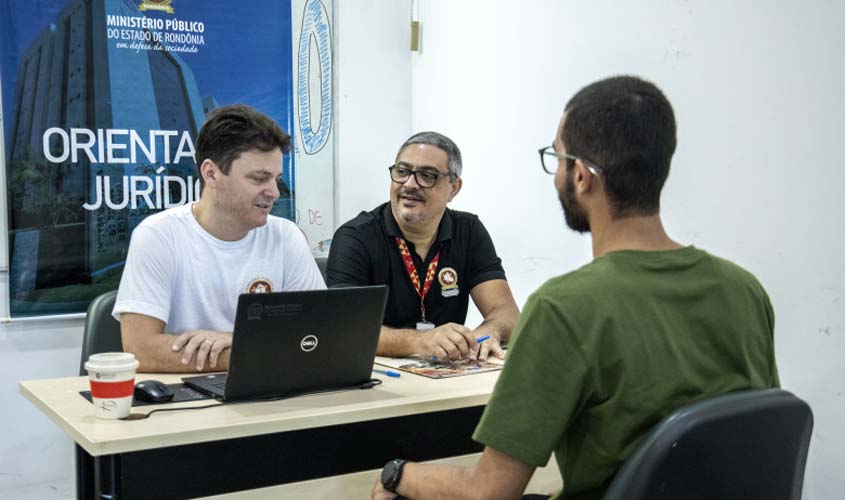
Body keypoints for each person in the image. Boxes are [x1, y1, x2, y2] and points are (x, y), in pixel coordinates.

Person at [371, 76, 780, 500]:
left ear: (581, 177)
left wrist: (397, 473)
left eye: (557, 158)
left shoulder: (563, 307)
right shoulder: (744, 290)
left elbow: (486, 492)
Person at [113, 104, 325, 373]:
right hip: (184, 404)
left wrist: (236, 343)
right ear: (211, 173)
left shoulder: (286, 236)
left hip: (268, 394)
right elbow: (140, 350)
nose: (274, 192)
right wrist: (251, 352)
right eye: (259, 178)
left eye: (276, 179)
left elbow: (317, 336)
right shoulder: (158, 235)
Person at [327, 131, 519, 362]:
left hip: (448, 376)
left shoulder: (469, 230)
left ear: (454, 188)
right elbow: (347, 329)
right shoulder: (356, 237)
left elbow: (507, 313)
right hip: (380, 378)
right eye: (402, 171)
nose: (409, 184)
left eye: (427, 176)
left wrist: (488, 332)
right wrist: (420, 341)